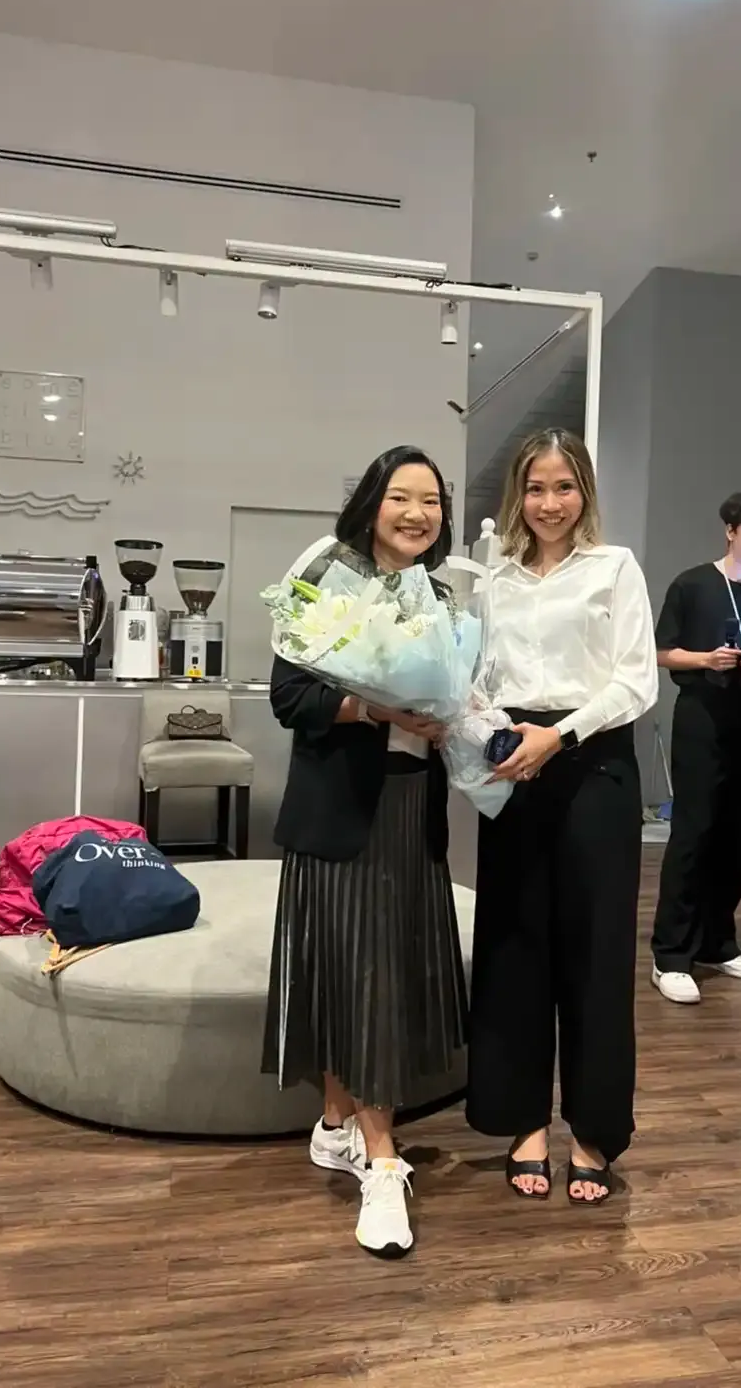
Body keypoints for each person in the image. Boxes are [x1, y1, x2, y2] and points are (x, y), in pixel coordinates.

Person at [262, 445, 467, 1259]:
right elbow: (289, 696)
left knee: (367, 971)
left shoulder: (441, 597)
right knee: (364, 975)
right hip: (344, 810)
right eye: (401, 497)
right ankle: (383, 1164)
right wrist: (376, 709)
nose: (418, 514)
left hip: (413, 809)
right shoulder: (326, 573)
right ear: (371, 503)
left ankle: (334, 1125)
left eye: (432, 501)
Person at [466, 428, 657, 1205]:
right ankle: (522, 1122)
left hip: (595, 763)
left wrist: (561, 735)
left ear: (585, 493)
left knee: (596, 953)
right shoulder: (495, 581)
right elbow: (480, 676)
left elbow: (635, 681)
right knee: (514, 946)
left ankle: (594, 1130)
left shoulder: (615, 568)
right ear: (519, 495)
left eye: (564, 487)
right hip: (515, 764)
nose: (550, 503)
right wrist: (488, 726)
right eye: (536, 488)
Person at [650, 489, 741, 1004]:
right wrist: (705, 660)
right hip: (700, 715)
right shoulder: (691, 584)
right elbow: (661, 652)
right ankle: (671, 954)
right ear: (730, 530)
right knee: (694, 831)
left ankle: (718, 941)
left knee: (737, 833)